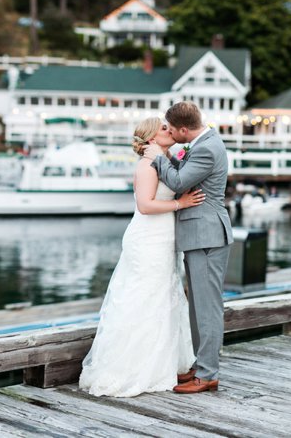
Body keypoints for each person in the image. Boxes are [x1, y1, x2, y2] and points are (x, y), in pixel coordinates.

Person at [79, 117, 205, 398]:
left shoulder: (165, 160)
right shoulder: (147, 165)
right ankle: (131, 368)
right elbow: (145, 205)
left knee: (164, 296)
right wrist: (180, 203)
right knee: (144, 297)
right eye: (163, 128)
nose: (169, 130)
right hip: (147, 238)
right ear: (151, 139)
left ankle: (166, 362)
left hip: (163, 238)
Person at [144, 101, 233, 394]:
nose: (168, 131)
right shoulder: (203, 142)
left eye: (171, 128)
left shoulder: (207, 147)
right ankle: (202, 365)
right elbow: (184, 171)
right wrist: (168, 155)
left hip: (206, 234)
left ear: (184, 129)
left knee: (207, 307)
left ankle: (207, 374)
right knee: (199, 306)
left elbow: (180, 180)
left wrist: (158, 157)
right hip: (200, 234)